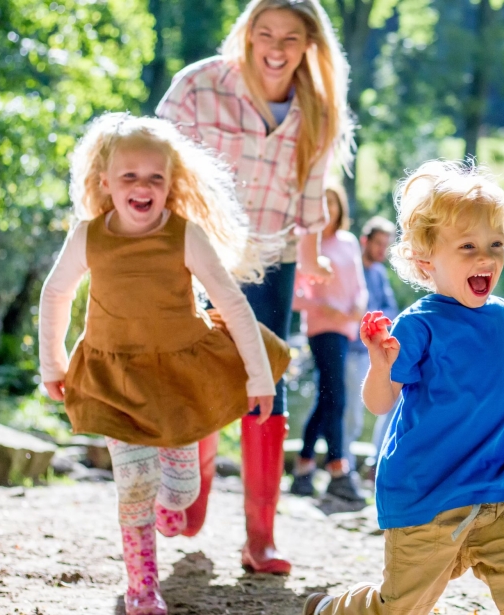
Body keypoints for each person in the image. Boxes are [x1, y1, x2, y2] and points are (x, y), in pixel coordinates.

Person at [39, 114, 289, 615]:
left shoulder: (184, 235)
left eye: (155, 177)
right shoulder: (89, 235)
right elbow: (55, 294)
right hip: (114, 379)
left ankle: (168, 509)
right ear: (104, 182)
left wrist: (260, 378)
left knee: (177, 496)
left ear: (171, 184)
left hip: (177, 381)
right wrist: (54, 363)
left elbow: (233, 304)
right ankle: (142, 589)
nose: (142, 186)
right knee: (132, 484)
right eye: (129, 176)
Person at [303, 160, 504, 615]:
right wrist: (381, 366)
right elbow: (379, 404)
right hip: (427, 494)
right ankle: (334, 610)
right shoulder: (418, 325)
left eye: (495, 245)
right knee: (400, 607)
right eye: (468, 246)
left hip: (495, 488)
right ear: (426, 261)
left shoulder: (502, 314)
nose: (486, 257)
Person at [155, 0, 355, 574]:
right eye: (264, 33)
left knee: (265, 375)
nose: (275, 47)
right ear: (246, 34)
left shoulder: (317, 105)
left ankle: (259, 538)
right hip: (198, 252)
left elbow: (312, 193)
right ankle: (191, 492)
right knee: (199, 371)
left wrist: (313, 256)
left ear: (309, 44)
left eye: (290, 38)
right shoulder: (199, 86)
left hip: (272, 256)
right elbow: (153, 159)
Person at [290, 182, 367, 501]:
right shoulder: (308, 244)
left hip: (347, 327)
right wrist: (320, 307)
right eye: (323, 204)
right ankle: (338, 468)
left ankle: (305, 466)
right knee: (336, 396)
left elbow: (359, 285)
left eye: (333, 204)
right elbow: (293, 296)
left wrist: (359, 308)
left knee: (328, 398)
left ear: (340, 209)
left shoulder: (348, 242)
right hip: (322, 328)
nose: (328, 210)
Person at [342, 216, 398, 471]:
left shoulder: (379, 273)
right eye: (378, 243)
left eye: (386, 245)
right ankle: (346, 467)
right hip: (352, 349)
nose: (381, 250)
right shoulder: (351, 268)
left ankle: (377, 462)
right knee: (351, 413)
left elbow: (390, 308)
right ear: (365, 240)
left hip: (375, 349)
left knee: (390, 405)